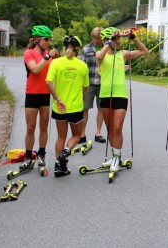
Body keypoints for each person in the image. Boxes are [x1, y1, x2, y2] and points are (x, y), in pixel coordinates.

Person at [96, 27, 148, 172]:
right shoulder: (102, 54)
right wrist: (109, 42)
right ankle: (114, 156)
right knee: (110, 128)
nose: (119, 41)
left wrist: (134, 38)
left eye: (119, 39)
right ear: (108, 39)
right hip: (105, 94)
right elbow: (99, 57)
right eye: (116, 39)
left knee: (117, 127)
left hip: (120, 95)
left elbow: (144, 52)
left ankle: (117, 157)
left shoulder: (122, 54)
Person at [46, 35, 89, 177]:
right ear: (78, 48)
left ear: (64, 48)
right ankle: (66, 152)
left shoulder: (56, 63)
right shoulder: (83, 66)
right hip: (76, 107)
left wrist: (58, 99)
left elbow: (48, 83)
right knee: (76, 135)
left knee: (60, 137)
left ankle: (59, 167)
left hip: (59, 107)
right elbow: (85, 88)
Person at [20, 25, 59, 174]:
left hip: (45, 94)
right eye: (46, 39)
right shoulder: (29, 53)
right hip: (32, 93)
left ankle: (41, 154)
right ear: (37, 40)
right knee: (30, 127)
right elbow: (35, 70)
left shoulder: (48, 54)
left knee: (44, 126)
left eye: (50, 39)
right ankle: (29, 157)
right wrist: (47, 57)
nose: (48, 42)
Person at [78, 27, 106, 145]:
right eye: (94, 38)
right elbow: (80, 65)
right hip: (88, 83)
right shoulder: (86, 49)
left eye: (98, 38)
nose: (96, 40)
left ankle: (98, 133)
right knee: (85, 109)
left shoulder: (107, 49)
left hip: (103, 83)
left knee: (101, 109)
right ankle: (82, 134)